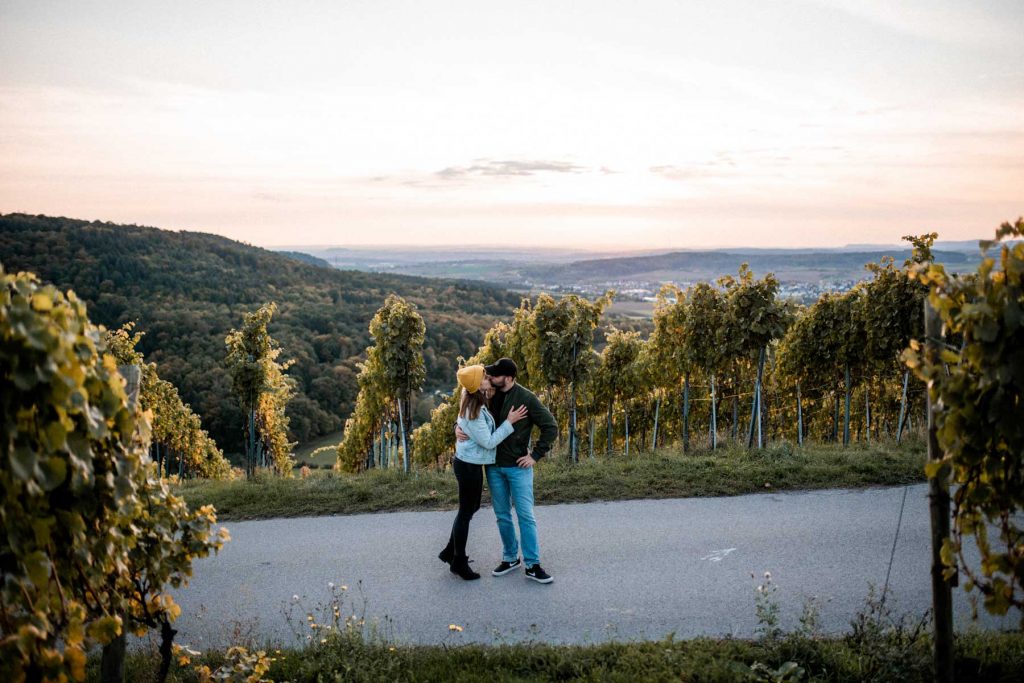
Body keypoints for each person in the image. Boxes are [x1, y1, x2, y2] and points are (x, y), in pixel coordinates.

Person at [455, 357, 557, 584]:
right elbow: (468, 412)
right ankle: (511, 558)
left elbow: (551, 426)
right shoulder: (488, 394)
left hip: (518, 467)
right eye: (488, 374)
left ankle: (532, 564)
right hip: (493, 467)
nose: (490, 377)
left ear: (508, 378)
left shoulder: (526, 398)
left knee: (525, 516)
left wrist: (535, 456)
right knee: (502, 516)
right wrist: (457, 427)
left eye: (495, 375)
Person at [439, 364, 528, 580]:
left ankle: (450, 552)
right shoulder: (474, 411)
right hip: (468, 466)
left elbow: (463, 421)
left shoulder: (471, 396)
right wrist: (509, 422)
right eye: (484, 377)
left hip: (470, 463)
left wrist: (456, 426)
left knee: (471, 508)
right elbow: (488, 442)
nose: (488, 378)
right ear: (478, 385)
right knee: (466, 512)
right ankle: (458, 561)